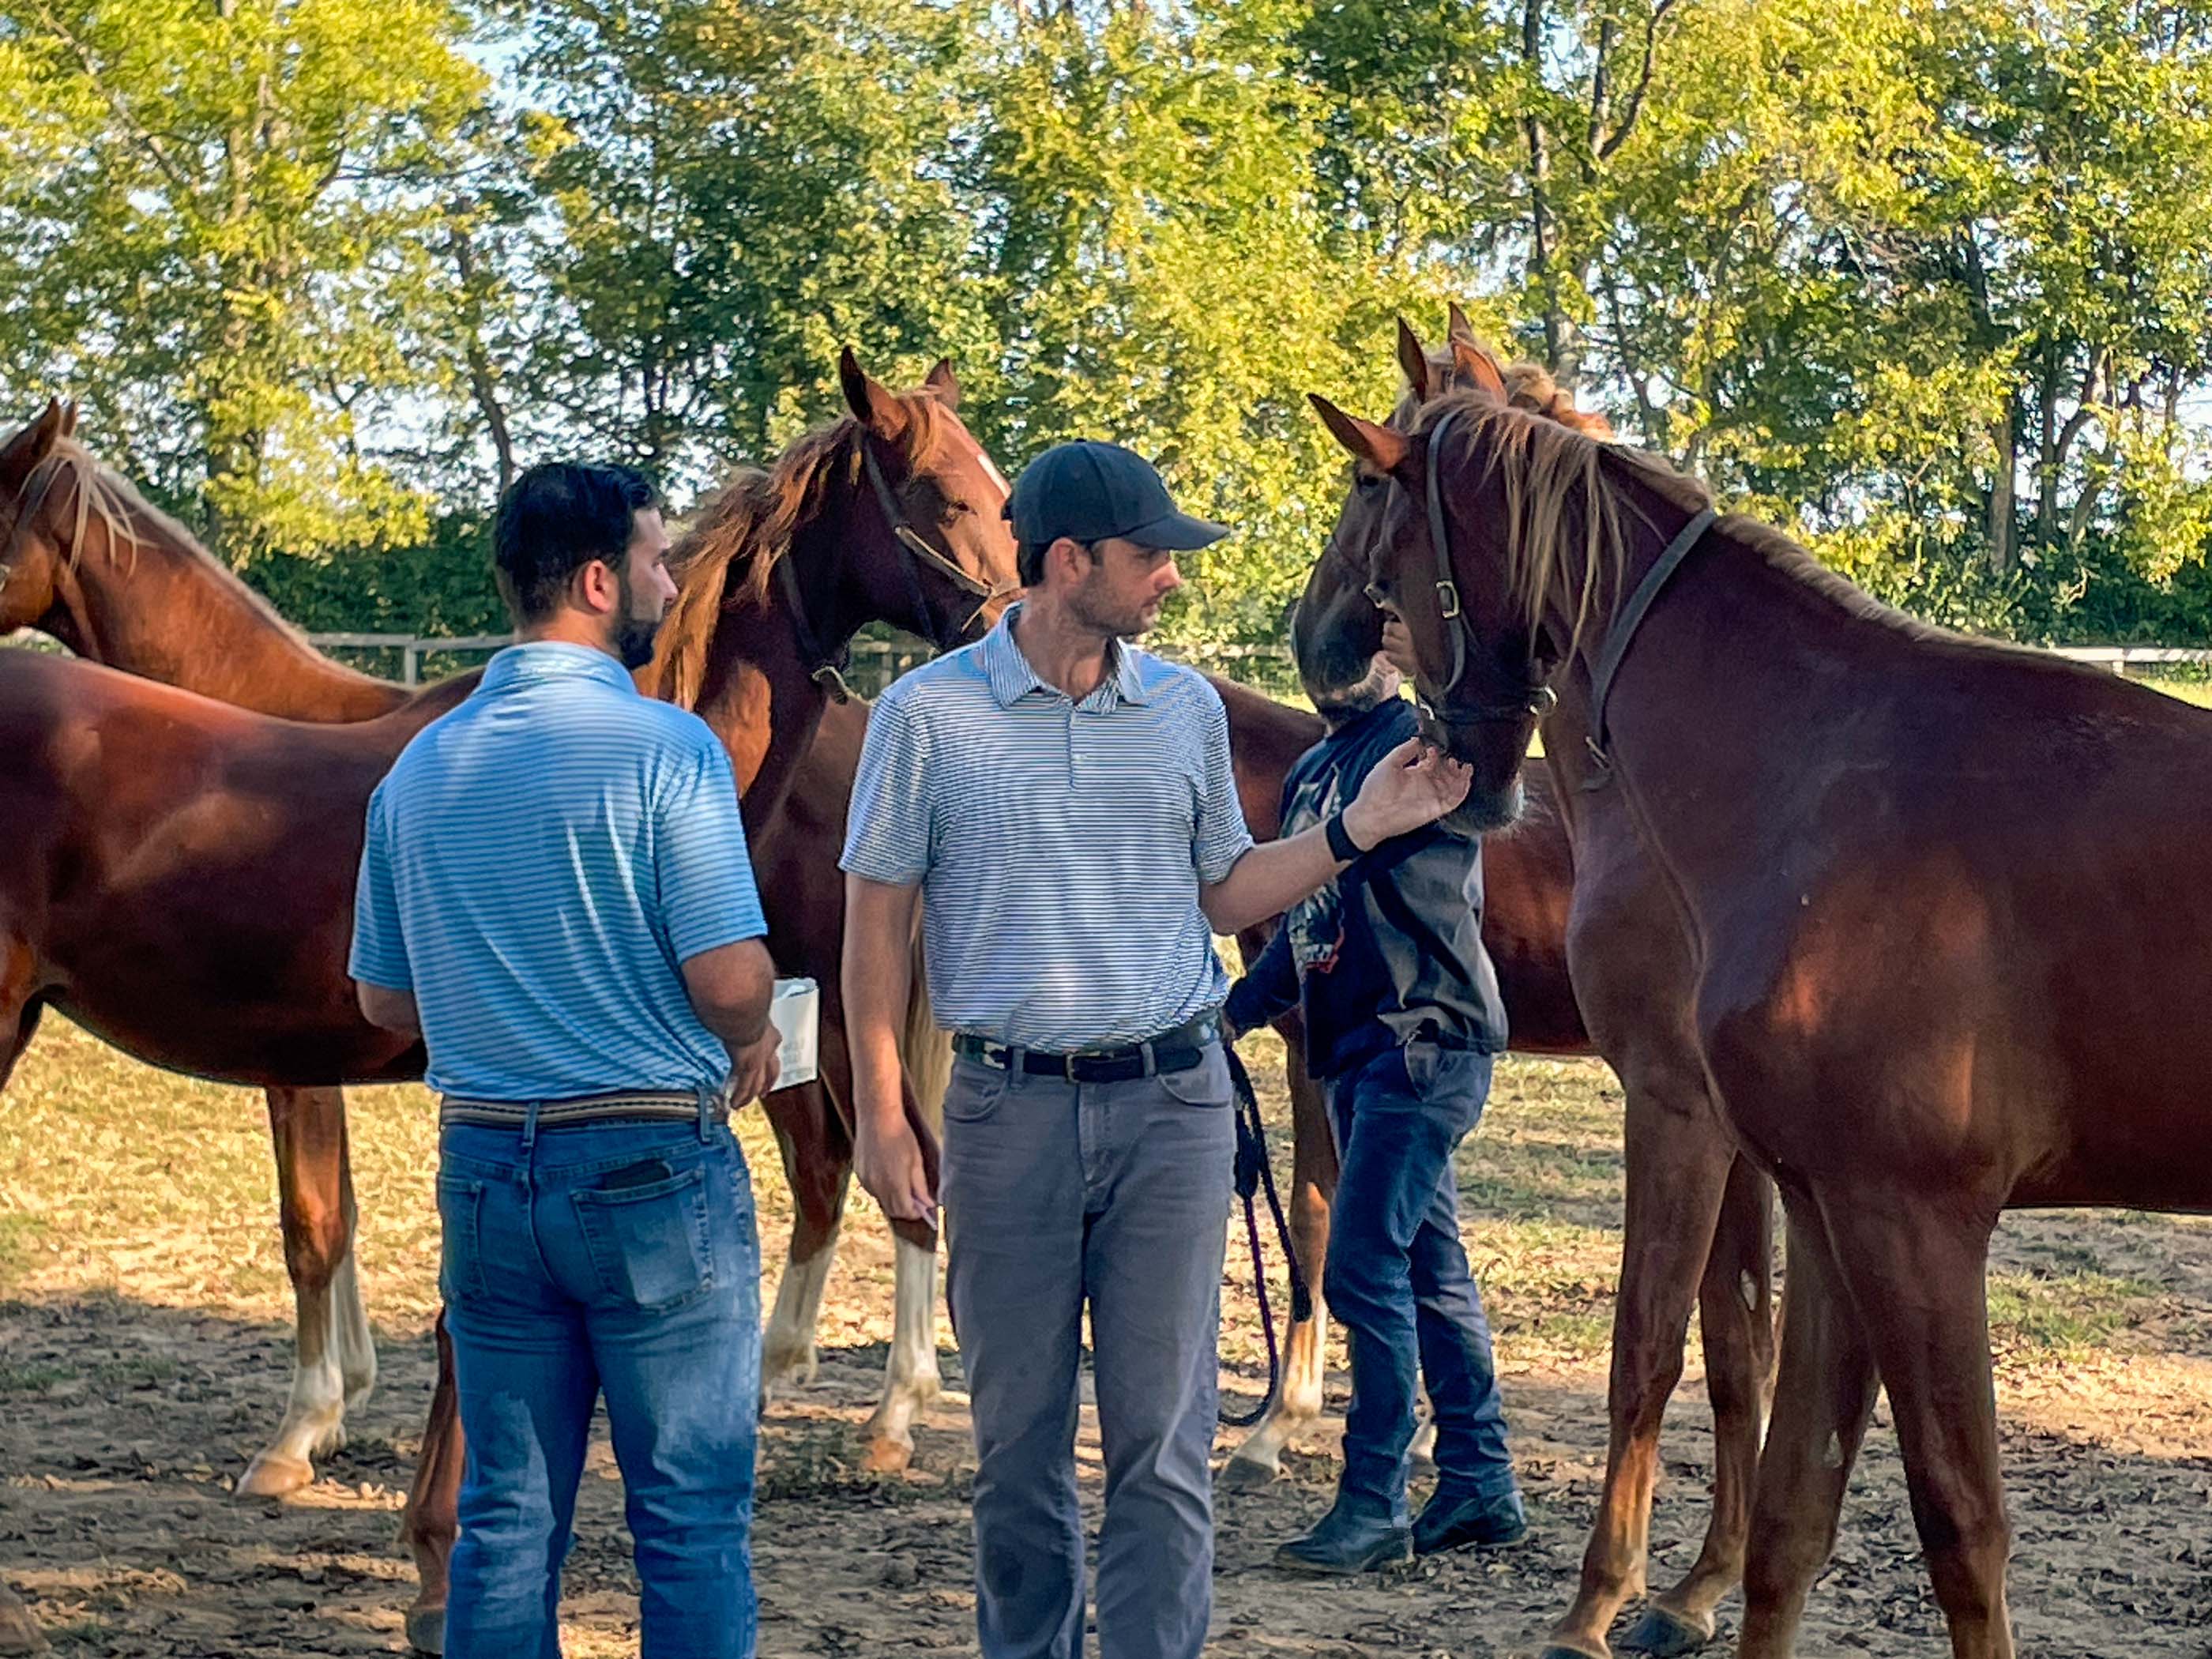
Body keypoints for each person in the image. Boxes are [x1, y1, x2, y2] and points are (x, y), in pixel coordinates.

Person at [837, 438, 1474, 1659]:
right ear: (1067, 560)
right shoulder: (926, 717)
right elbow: (877, 925)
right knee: (1017, 1451)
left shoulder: (1180, 708)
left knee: (1164, 1449)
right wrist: (877, 1104)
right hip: (1005, 1114)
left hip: (1173, 1110)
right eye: (1151, 557)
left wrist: (1365, 824)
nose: (1172, 580)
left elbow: (1231, 895)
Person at [349, 461, 785, 1659]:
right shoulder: (666, 751)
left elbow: (385, 997)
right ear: (600, 582)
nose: (667, 581)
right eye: (656, 559)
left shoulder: (418, 768)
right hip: (649, 1161)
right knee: (688, 1517)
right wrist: (752, 1037)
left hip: (486, 1167)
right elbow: (728, 977)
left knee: (505, 1513)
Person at [1223, 605, 1525, 1574]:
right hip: (1357, 1051)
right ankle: (1480, 1484)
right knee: (1427, 1269)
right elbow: (1305, 916)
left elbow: (1485, 731)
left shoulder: (1422, 746)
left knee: (1359, 1267)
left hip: (1422, 1040)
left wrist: (1430, 669)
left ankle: (1373, 1501)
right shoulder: (1313, 771)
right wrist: (1226, 1016)